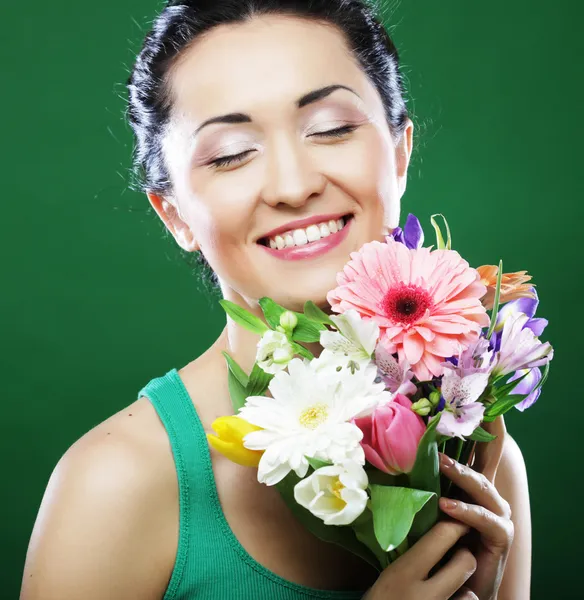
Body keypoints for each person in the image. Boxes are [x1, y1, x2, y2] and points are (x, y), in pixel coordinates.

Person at [20, 1, 530, 598]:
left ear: (399, 154)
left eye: (332, 128)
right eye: (232, 153)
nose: (294, 186)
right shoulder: (115, 482)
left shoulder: (475, 459)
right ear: (175, 214)